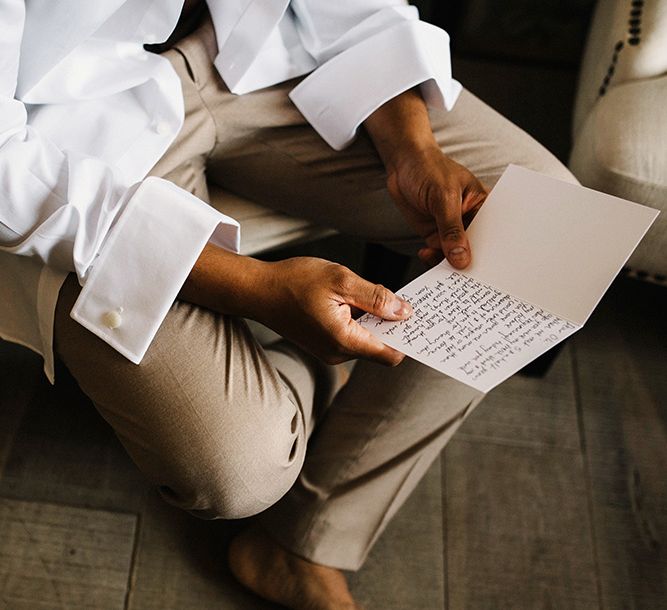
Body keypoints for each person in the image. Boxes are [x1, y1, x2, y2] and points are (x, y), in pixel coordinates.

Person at [0, 1, 575, 608]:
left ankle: (307, 542)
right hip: (65, 137)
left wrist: (412, 145)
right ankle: (306, 371)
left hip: (272, 57)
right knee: (235, 472)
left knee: (550, 230)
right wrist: (255, 288)